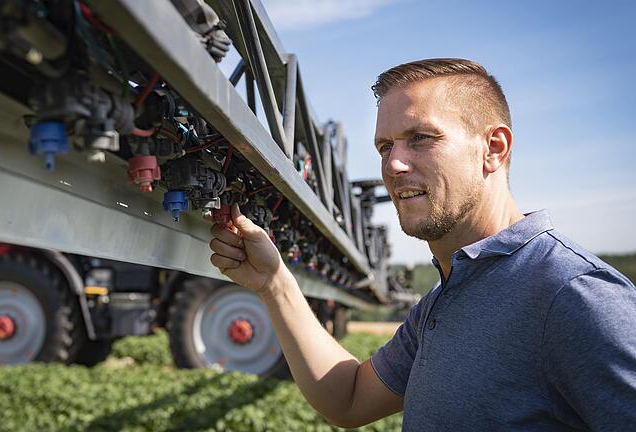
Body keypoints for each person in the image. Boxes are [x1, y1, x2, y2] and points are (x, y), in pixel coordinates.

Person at [207, 58, 636, 430]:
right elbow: (350, 398)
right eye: (384, 145)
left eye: (422, 139)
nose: (392, 164)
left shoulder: (573, 295)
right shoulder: (445, 299)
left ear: (493, 148)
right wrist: (274, 283)